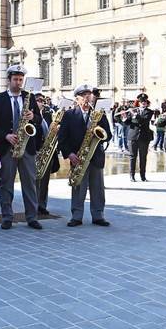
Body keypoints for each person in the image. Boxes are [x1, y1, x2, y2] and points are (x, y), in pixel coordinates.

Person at [0, 65, 44, 231]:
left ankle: (32, 217)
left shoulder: (29, 97)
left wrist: (33, 116)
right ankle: (7, 217)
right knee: (6, 184)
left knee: (30, 183)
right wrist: (5, 135)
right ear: (9, 80)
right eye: (15, 79)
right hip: (7, 147)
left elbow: (39, 120)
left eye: (21, 80)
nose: (19, 83)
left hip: (27, 147)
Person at [58, 85, 112, 227]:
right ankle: (77, 216)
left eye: (89, 95)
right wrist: (69, 154)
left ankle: (98, 215)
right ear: (77, 98)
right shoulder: (69, 115)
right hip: (78, 157)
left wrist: (98, 134)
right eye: (84, 95)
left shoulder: (99, 114)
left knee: (98, 188)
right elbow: (62, 138)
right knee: (78, 187)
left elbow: (108, 135)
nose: (87, 98)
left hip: (95, 156)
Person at [34, 93, 59, 214]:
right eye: (38, 100)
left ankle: (42, 204)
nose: (42, 102)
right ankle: (33, 204)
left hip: (48, 152)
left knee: (44, 181)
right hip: (36, 151)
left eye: (43, 100)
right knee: (34, 181)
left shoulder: (48, 115)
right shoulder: (31, 115)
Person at [126, 93, 154, 182]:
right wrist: (123, 118)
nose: (143, 103)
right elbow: (128, 123)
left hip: (144, 137)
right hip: (133, 136)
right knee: (132, 156)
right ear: (138, 102)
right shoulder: (134, 110)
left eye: (145, 102)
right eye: (141, 102)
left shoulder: (149, 112)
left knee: (143, 157)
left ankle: (143, 176)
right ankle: (132, 175)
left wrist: (134, 114)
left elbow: (144, 120)